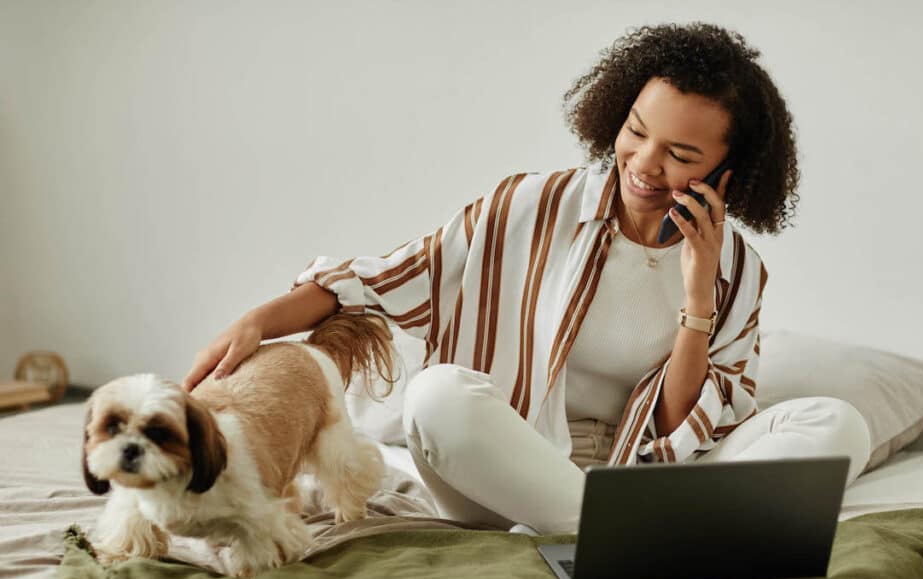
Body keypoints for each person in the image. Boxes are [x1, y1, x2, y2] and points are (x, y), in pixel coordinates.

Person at [183, 22, 871, 536]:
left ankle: (608, 529)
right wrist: (257, 322)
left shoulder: (736, 269)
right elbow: (390, 276)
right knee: (435, 395)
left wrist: (696, 295)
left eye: (680, 154)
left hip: (649, 477)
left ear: (729, 170)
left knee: (839, 426)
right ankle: (629, 539)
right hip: (506, 475)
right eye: (636, 132)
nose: (643, 163)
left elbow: (678, 422)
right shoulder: (533, 203)